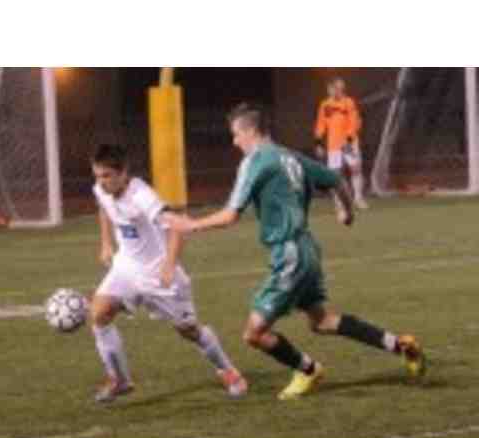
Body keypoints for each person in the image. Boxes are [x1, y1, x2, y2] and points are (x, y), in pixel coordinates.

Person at [165, 103, 425, 400]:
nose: (234, 141)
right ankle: (399, 344)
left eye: (236, 134)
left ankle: (308, 369)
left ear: (251, 131)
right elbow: (336, 180)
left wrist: (191, 225)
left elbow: (230, 215)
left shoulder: (256, 161)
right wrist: (346, 212)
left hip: (290, 254)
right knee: (322, 321)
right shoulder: (291, 156)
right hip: (307, 249)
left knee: (254, 333)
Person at [88, 143, 247, 403]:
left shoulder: (142, 196)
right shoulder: (102, 189)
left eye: (107, 175)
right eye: (97, 176)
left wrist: (170, 265)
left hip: (158, 275)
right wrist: (106, 242)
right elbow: (104, 207)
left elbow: (176, 225)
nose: (101, 182)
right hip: (125, 268)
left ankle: (227, 370)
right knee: (99, 314)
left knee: (189, 331)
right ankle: (120, 380)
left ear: (123, 172)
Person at [315, 77, 369, 210]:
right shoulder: (325, 105)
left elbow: (354, 121)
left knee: (355, 168)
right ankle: (340, 201)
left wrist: (349, 140)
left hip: (347, 144)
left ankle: (358, 198)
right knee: (335, 174)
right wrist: (318, 143)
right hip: (333, 145)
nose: (335, 91)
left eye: (339, 88)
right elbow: (321, 124)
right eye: (332, 89)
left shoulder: (348, 103)